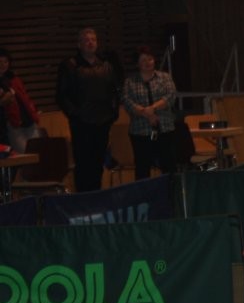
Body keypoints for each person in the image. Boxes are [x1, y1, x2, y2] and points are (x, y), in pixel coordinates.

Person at [55, 27, 122, 192]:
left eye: (93, 39)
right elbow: (61, 96)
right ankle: (83, 199)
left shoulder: (106, 65)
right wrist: (75, 115)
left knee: (98, 163)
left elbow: (115, 91)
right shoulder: (70, 65)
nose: (90, 43)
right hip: (81, 124)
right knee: (83, 164)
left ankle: (96, 197)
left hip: (103, 121)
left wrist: (113, 113)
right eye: (86, 40)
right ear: (79, 44)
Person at [121, 46, 178, 179]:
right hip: (140, 132)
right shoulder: (130, 82)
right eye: (143, 60)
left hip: (165, 129)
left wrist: (152, 108)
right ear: (137, 64)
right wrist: (146, 113)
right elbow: (127, 102)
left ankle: (170, 191)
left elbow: (170, 96)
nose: (147, 62)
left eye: (150, 59)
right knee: (142, 168)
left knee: (169, 167)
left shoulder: (165, 77)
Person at [0, 48, 43, 152]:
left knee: (37, 152)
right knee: (23, 154)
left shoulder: (14, 78)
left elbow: (25, 97)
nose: (3, 65)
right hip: (13, 124)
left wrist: (34, 111)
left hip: (28, 120)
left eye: (5, 62)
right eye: (0, 62)